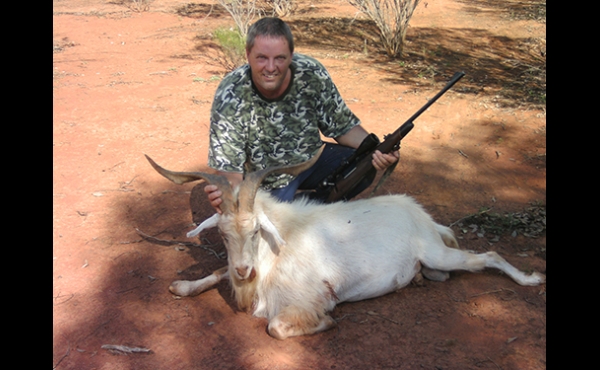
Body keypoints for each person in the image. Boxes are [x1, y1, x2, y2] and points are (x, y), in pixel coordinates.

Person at [205, 17, 399, 214]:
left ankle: (308, 210)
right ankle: (293, 211)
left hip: (311, 159)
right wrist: (230, 195)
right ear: (248, 55)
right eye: (262, 57)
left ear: (291, 55)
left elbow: (342, 127)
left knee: (362, 167)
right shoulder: (230, 94)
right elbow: (230, 170)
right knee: (261, 229)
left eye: (280, 58)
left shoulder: (311, 73)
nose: (271, 68)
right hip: (267, 181)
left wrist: (378, 149)